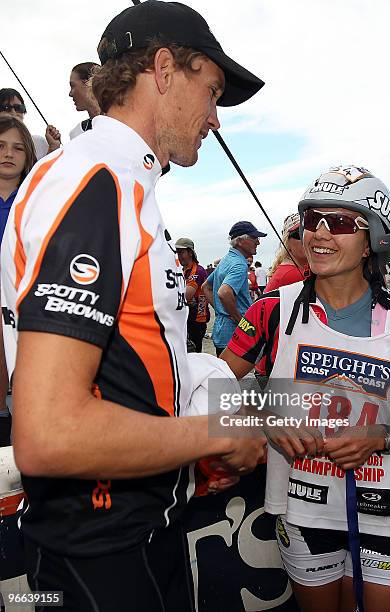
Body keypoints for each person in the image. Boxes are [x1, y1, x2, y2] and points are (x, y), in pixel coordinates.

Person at [1, 2, 265, 609]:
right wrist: (213, 434)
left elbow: (145, 360)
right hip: (102, 551)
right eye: (213, 91)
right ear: (165, 68)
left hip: (133, 532)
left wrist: (232, 413)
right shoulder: (98, 182)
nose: (215, 119)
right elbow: (49, 431)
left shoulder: (116, 180)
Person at [221, 165, 390, 612]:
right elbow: (212, 392)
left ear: (373, 240)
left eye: (342, 222)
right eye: (312, 221)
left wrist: (382, 437)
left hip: (387, 515)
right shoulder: (273, 310)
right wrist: (267, 418)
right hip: (304, 508)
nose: (321, 233)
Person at [0, 116, 36, 446]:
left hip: (22, 306)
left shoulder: (37, 201)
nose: (8, 154)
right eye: (0, 146)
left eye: (17, 147)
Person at [202, 221, 266, 356]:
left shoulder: (226, 259)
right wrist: (239, 320)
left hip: (221, 331)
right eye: (254, 238)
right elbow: (224, 293)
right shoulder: (239, 264)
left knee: (224, 374)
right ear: (240, 241)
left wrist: (221, 309)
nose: (258, 242)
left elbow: (206, 287)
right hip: (234, 335)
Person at [0, 88, 60, 159]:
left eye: (18, 108)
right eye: (6, 108)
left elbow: (47, 169)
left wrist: (53, 148)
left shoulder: (38, 143)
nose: (13, 113)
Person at [175, 237, 209, 353]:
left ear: (190, 252)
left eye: (181, 253)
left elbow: (185, 296)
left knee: (194, 354)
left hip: (197, 319)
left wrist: (179, 297)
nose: (179, 256)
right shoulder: (183, 271)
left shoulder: (197, 270)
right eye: (177, 253)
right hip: (187, 317)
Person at [265, 213, 309, 292]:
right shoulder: (292, 275)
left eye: (309, 233)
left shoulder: (291, 268)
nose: (306, 239)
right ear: (287, 241)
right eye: (299, 234)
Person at [68, 62, 101, 139]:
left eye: (72, 86)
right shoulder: (76, 134)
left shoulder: (122, 122)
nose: (70, 94)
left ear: (89, 83)